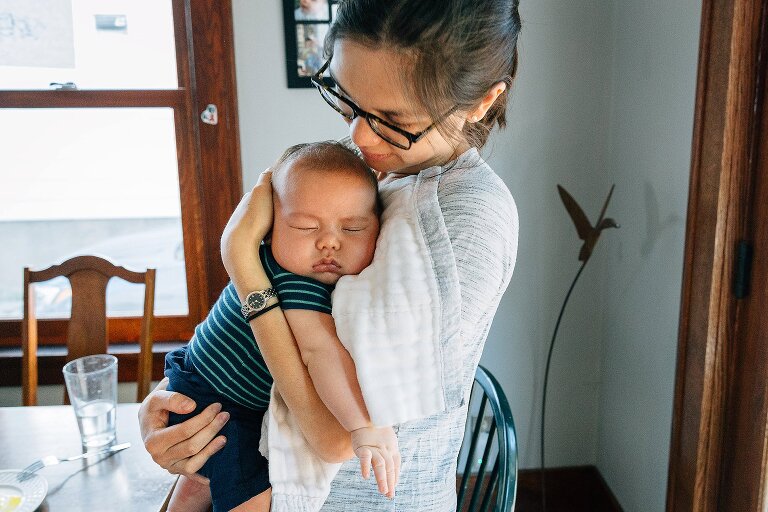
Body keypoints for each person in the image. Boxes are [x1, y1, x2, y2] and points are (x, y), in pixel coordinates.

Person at [139, 0, 521, 510]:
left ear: (481, 101)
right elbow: (255, 323)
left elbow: (335, 436)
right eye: (347, 99)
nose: (359, 136)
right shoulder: (364, 168)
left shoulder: (463, 221)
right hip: (251, 451)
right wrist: (173, 401)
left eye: (393, 118)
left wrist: (242, 263)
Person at [162, 141, 397, 512]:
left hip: (196, 379)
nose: (329, 243)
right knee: (251, 493)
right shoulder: (293, 281)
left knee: (201, 483)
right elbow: (319, 351)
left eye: (353, 229)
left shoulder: (288, 271)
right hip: (219, 402)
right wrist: (364, 426)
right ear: (269, 228)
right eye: (305, 227)